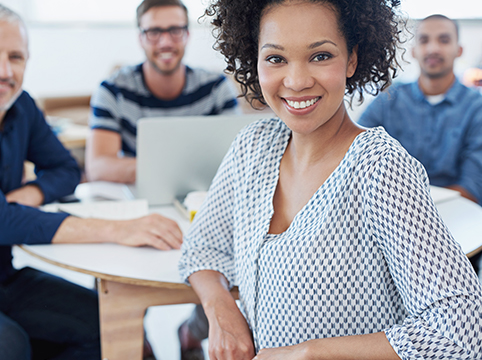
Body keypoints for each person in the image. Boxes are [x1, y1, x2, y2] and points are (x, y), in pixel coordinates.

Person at [178, 0, 482, 359]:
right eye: (276, 59)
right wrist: (220, 308)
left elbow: (460, 330)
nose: (297, 81)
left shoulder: (381, 169)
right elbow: (201, 246)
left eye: (320, 56)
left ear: (352, 59)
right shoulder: (252, 148)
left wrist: (310, 353)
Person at [0, 5, 182, 359]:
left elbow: (66, 169)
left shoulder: (21, 108)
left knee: (109, 325)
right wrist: (116, 229)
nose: (6, 71)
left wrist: (32, 191)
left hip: (5, 278)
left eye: (16, 57)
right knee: (13, 345)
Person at [85, 0, 241, 184]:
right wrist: (175, 172)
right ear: (140, 38)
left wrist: (162, 171)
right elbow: (97, 166)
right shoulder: (113, 90)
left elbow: (237, 156)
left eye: (175, 31)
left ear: (187, 35)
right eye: (154, 32)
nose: (165, 42)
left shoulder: (216, 87)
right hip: (138, 195)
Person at [358, 14, 482, 205]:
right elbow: (354, 153)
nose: (433, 48)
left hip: (456, 212)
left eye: (444, 40)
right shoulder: (388, 100)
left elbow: (472, 188)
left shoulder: (476, 107)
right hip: (390, 212)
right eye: (424, 40)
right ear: (414, 51)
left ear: (459, 50)